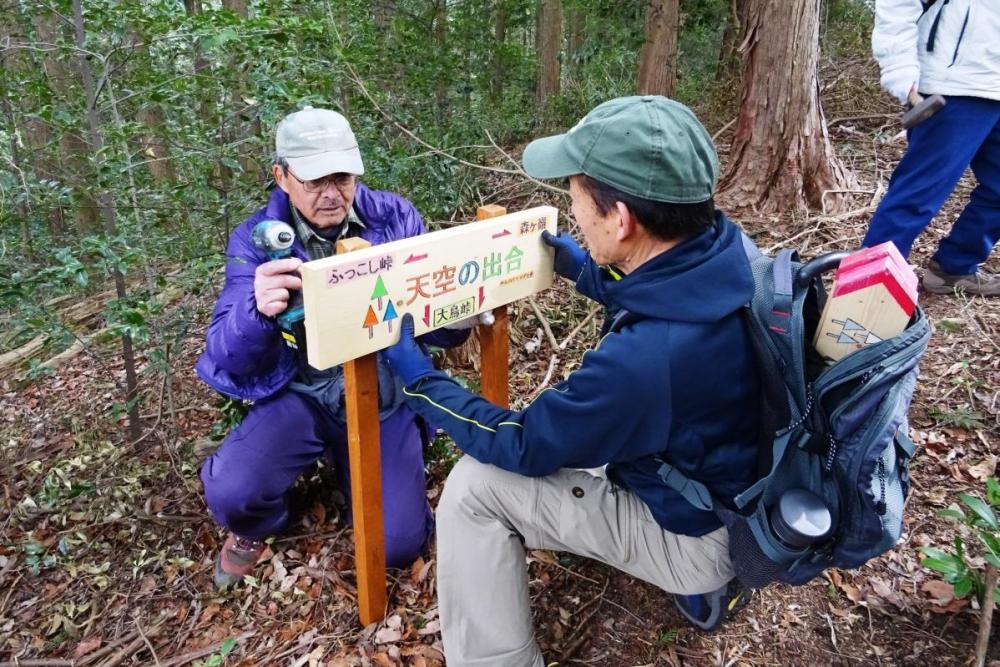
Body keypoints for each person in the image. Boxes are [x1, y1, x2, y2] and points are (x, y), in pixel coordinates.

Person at [385, 96, 760, 666]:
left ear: (622, 220)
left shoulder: (645, 364)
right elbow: (670, 295)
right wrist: (585, 271)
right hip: (736, 493)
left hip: (700, 538)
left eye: (577, 197)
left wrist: (419, 380)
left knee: (474, 488)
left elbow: (522, 445)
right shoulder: (733, 254)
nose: (574, 211)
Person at [196, 107, 471, 588]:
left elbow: (435, 323)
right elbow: (225, 359)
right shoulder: (256, 240)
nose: (331, 194)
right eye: (314, 180)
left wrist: (459, 314)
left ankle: (360, 471)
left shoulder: (394, 216)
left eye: (342, 177)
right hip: (302, 392)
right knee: (234, 493)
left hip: (384, 390)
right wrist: (257, 311)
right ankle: (264, 522)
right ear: (282, 177)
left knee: (399, 546)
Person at [862, 0, 1000, 295]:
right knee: (918, 195)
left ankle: (953, 267)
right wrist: (899, 68)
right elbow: (898, 5)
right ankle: (866, 292)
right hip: (953, 86)